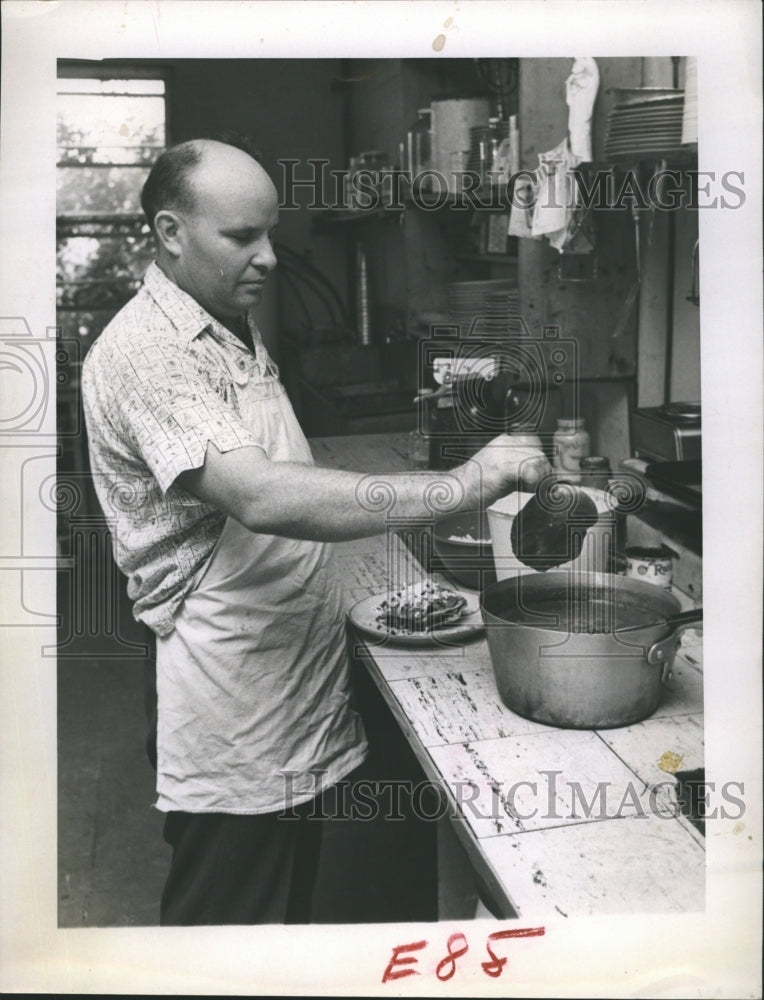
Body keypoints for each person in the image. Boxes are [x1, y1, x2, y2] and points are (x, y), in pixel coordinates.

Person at [81, 137, 550, 926]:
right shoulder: (144, 352)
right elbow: (259, 494)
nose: (267, 259)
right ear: (169, 233)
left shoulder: (223, 319)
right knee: (220, 931)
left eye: (269, 234)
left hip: (293, 664)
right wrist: (465, 483)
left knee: (292, 921)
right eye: (241, 239)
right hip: (228, 687)